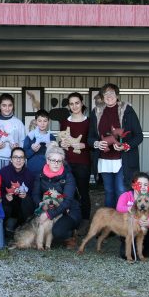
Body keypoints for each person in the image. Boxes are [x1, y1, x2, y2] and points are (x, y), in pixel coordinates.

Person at [88, 83, 143, 208]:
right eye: (106, 94)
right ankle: (110, 222)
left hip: (123, 159)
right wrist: (97, 143)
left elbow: (139, 136)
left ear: (117, 95)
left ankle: (123, 222)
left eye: (112, 93)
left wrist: (126, 145)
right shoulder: (96, 112)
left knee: (121, 190)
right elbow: (90, 137)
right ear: (102, 97)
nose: (109, 96)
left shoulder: (127, 110)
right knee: (109, 191)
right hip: (104, 159)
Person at [31, 143, 81, 248]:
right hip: (48, 205)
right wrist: (41, 204)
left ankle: (70, 235)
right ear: (48, 161)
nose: (56, 163)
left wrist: (48, 214)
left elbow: (67, 201)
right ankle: (34, 234)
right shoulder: (40, 175)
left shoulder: (68, 177)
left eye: (59, 161)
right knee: (26, 202)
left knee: (58, 232)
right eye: (53, 160)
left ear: (63, 162)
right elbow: (35, 194)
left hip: (68, 210)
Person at [59, 92, 91, 233]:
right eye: (71, 104)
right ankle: (71, 218)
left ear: (82, 103)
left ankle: (85, 220)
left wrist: (84, 145)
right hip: (67, 161)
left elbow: (92, 141)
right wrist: (62, 143)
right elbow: (61, 139)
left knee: (83, 191)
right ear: (69, 106)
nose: (74, 106)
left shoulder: (89, 121)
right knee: (68, 191)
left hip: (83, 161)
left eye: (77, 103)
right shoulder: (65, 122)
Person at [116, 172, 149, 259]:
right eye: (140, 184)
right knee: (126, 254)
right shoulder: (126, 196)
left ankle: (143, 248)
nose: (143, 187)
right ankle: (134, 247)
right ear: (133, 185)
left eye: (146, 185)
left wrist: (148, 223)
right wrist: (130, 208)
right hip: (129, 229)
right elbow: (119, 208)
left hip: (144, 230)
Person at [0, 147, 35, 237]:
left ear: (24, 160)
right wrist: (5, 196)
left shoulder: (30, 174)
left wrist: (27, 195)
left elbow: (34, 193)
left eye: (21, 157)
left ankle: (24, 228)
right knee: (4, 204)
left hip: (22, 207)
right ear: (11, 159)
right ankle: (2, 228)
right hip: (8, 205)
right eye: (15, 157)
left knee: (27, 201)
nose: (18, 160)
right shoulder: (3, 172)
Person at [0, 93, 26, 171]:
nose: (7, 108)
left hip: (13, 160)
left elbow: (23, 142)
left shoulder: (18, 123)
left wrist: (17, 148)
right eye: (4, 105)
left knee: (11, 183)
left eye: (10, 105)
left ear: (13, 106)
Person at [24, 109, 56, 175]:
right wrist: (32, 150)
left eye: (45, 121)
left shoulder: (51, 137)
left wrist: (50, 149)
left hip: (48, 172)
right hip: (32, 171)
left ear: (48, 122)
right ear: (36, 121)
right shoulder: (30, 137)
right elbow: (24, 155)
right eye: (39, 121)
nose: (42, 123)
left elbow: (55, 156)